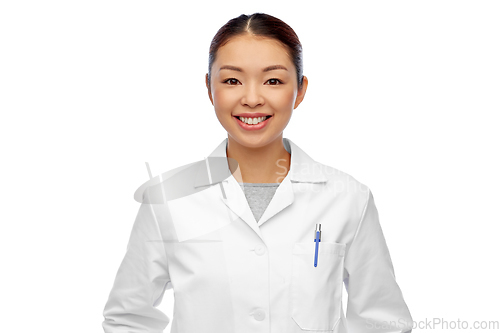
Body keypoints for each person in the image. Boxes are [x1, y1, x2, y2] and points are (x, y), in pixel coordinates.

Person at [102, 12, 413, 333]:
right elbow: (128, 319)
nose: (252, 99)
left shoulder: (348, 199)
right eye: (232, 80)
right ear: (209, 88)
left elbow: (383, 322)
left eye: (273, 80)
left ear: (300, 90)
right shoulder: (166, 200)